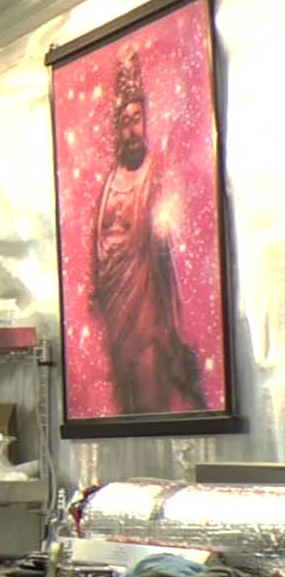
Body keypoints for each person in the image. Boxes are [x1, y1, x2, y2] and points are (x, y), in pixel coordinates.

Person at [90, 43, 207, 416]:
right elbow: (99, 244)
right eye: (124, 122)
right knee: (124, 386)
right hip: (116, 303)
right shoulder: (111, 180)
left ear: (146, 119)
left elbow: (164, 240)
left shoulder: (155, 172)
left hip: (146, 302)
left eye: (136, 119)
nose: (131, 130)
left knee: (149, 381)